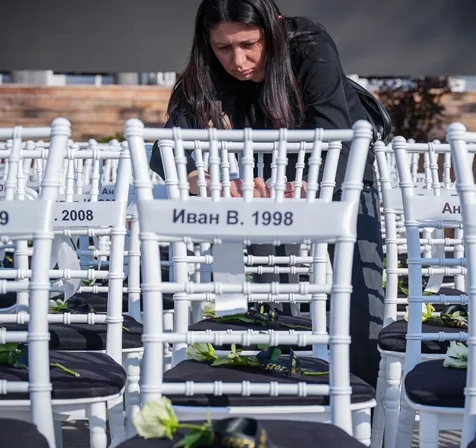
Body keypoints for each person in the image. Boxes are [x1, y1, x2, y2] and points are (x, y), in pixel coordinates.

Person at [148, 0, 385, 388]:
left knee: (359, 285)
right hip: (263, 174)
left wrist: (308, 185)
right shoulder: (206, 72)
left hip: (343, 167)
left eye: (249, 45)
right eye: (223, 48)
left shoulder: (309, 44)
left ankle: (361, 403)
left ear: (273, 28)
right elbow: (167, 147)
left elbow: (334, 131)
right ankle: (275, 390)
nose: (238, 61)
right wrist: (201, 178)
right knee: (267, 285)